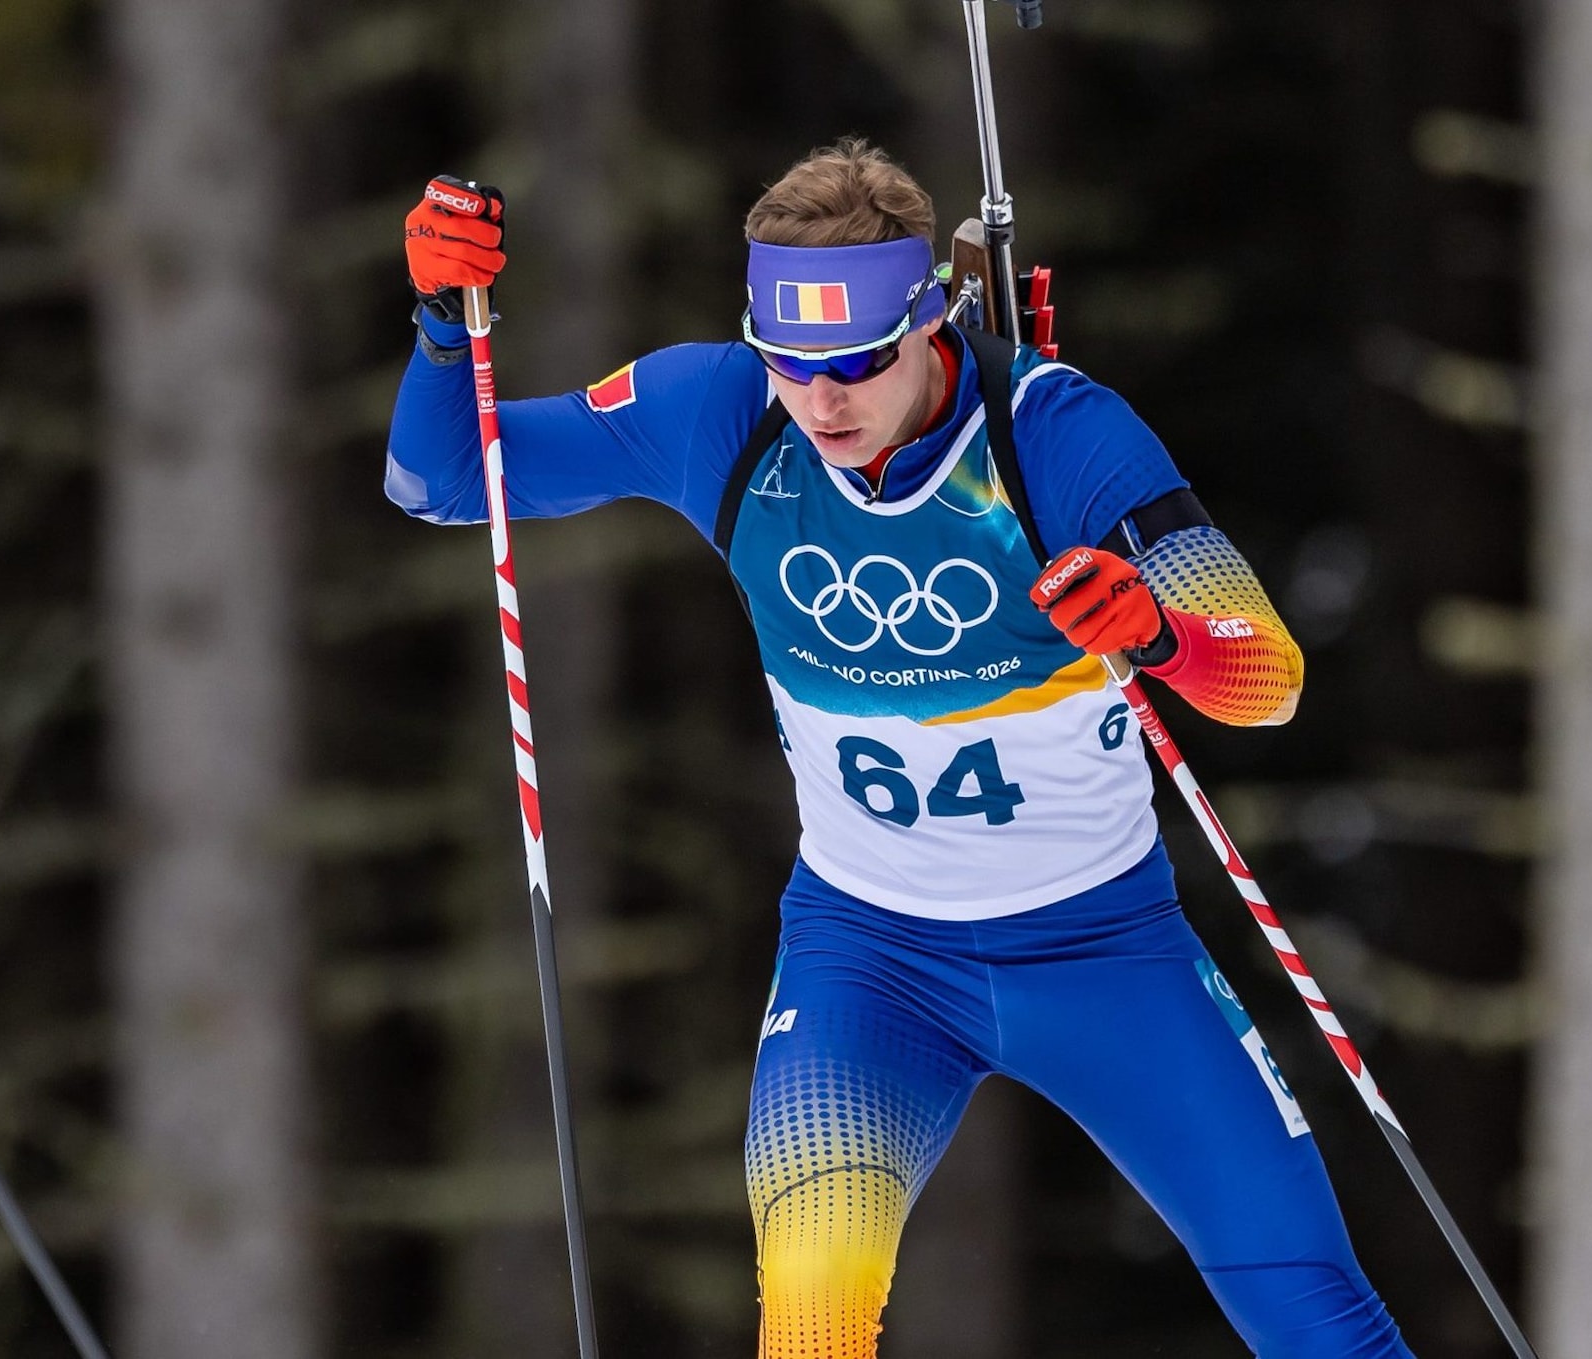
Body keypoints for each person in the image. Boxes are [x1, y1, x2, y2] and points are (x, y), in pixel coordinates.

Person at [389, 139, 1411, 1358]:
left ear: (927, 323)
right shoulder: (719, 413)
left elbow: (1268, 679)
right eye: (790, 361)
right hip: (868, 962)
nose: (820, 401)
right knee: (812, 1326)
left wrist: (1154, 632)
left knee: (1311, 1308)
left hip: (1104, 949)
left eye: (857, 363)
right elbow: (441, 480)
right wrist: (444, 328)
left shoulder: (1052, 431)